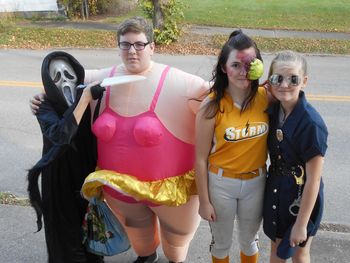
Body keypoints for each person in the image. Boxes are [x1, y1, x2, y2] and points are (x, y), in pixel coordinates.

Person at [73, 16, 207, 263]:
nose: (132, 50)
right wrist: (41, 97)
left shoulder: (181, 83)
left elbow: (223, 97)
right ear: (119, 47)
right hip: (120, 189)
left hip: (171, 193)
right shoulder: (103, 79)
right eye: (125, 44)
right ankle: (146, 256)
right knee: (137, 229)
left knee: (176, 240)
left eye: (139, 44)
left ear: (152, 47)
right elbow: (64, 77)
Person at [195, 30, 268, 263]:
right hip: (221, 184)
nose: (243, 71)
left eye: (249, 64)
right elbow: (199, 159)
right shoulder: (211, 105)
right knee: (221, 243)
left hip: (256, 183)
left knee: (250, 240)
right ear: (224, 68)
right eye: (235, 64)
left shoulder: (267, 98)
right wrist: (204, 202)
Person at [27, 51, 104, 263]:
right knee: (65, 238)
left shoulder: (84, 97)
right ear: (48, 82)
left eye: (68, 74)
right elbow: (62, 135)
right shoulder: (45, 106)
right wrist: (85, 99)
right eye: (57, 77)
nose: (65, 81)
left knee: (91, 232)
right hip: (59, 179)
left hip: (85, 176)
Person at [263, 50, 328, 262]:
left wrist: (301, 223)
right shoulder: (272, 111)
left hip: (301, 195)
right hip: (275, 189)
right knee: (276, 250)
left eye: (293, 79)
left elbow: (314, 179)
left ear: (305, 81)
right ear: (269, 81)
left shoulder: (311, 124)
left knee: (299, 252)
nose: (284, 84)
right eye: (277, 78)